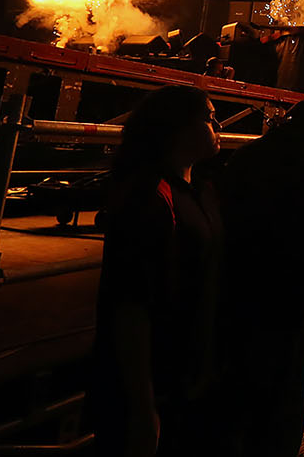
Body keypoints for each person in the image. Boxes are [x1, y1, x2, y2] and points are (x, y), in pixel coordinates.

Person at [89, 85, 223, 457]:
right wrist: (142, 405)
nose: (219, 124)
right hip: (157, 381)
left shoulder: (199, 191)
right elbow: (132, 306)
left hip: (188, 373)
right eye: (209, 118)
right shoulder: (150, 197)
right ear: (178, 128)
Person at [218, 99, 304, 457]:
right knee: (287, 392)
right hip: (291, 290)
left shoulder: (246, 156)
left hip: (242, 283)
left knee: (242, 387)